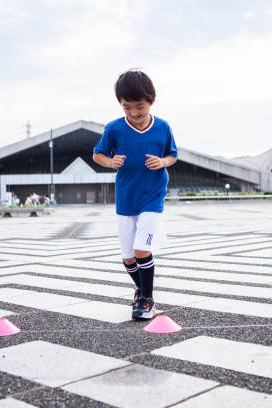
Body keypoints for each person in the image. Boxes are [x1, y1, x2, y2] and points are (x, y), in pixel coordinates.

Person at [93, 70, 177, 320]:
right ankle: (141, 290)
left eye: (138, 107)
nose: (133, 113)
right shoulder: (115, 128)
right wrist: (110, 162)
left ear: (152, 100)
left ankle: (147, 300)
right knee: (128, 257)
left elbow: (173, 155)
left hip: (152, 196)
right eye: (126, 107)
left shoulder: (162, 127)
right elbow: (98, 154)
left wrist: (162, 161)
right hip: (126, 197)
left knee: (142, 250)